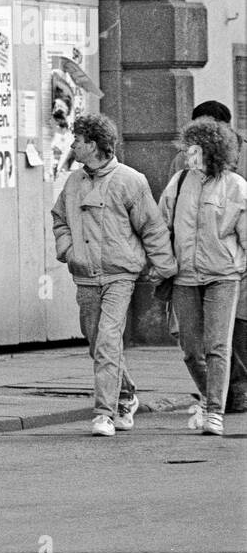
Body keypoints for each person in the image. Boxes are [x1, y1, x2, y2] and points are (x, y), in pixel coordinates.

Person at [51, 114, 176, 437]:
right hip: (86, 276)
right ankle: (127, 393)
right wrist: (68, 250)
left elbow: (152, 227)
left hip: (120, 275)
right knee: (98, 344)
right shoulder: (73, 183)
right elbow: (59, 219)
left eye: (77, 140)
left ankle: (104, 413)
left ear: (93, 144)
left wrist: (164, 269)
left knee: (108, 340)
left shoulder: (130, 180)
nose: (73, 145)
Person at [158, 117, 247, 436]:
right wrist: (163, 262)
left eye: (194, 151)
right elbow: (161, 226)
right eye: (187, 150)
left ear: (211, 151)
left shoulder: (235, 186)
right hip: (184, 277)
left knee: (217, 346)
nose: (188, 157)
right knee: (191, 349)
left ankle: (214, 411)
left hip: (223, 277)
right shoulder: (179, 182)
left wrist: (237, 266)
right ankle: (212, 398)